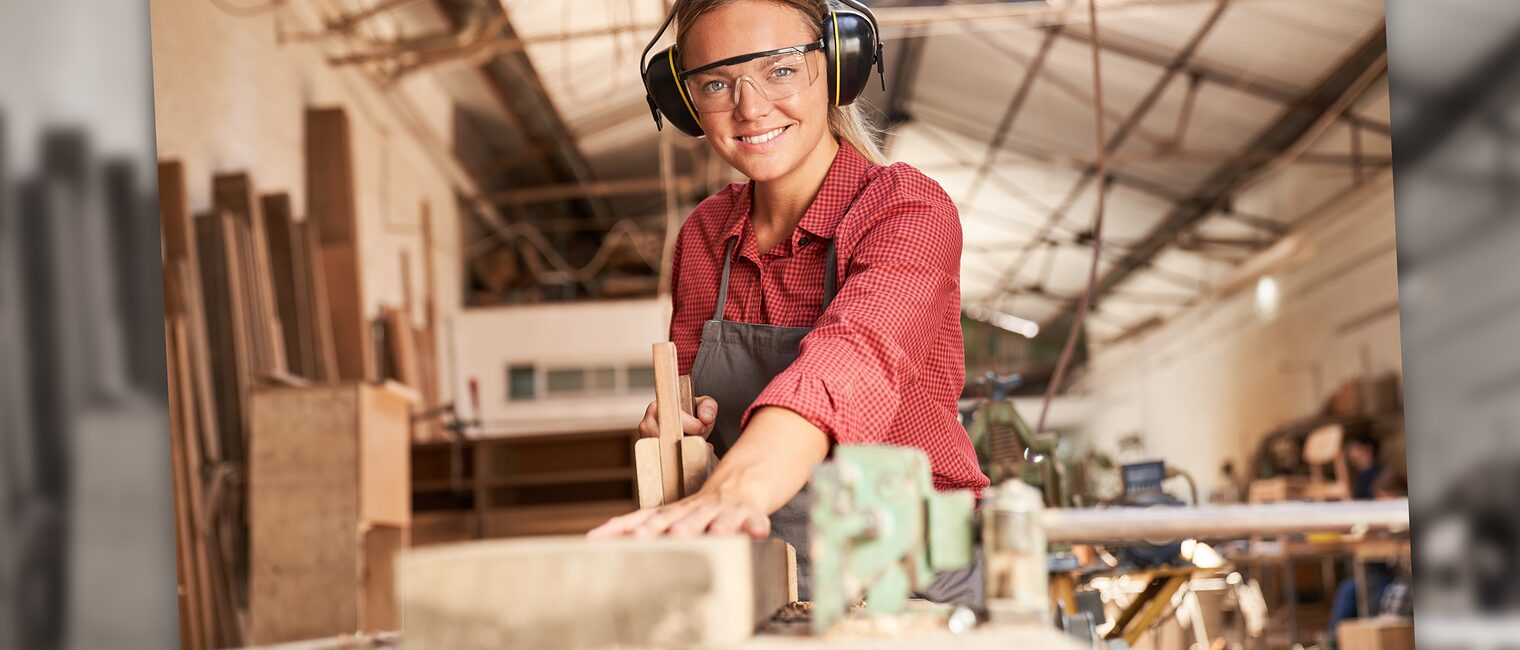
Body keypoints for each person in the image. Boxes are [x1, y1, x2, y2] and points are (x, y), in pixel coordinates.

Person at [587, 0, 990, 603]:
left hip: (915, 573)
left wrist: (740, 483)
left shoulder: (907, 209)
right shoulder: (704, 236)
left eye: (780, 69)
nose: (750, 108)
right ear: (685, 101)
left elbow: (854, 357)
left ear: (836, 67)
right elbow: (695, 401)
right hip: (774, 577)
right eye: (717, 83)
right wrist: (681, 428)